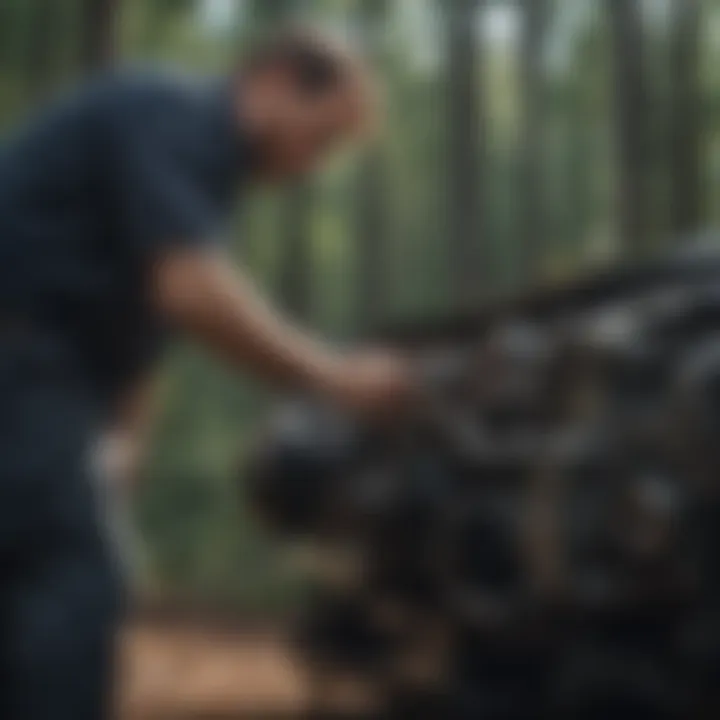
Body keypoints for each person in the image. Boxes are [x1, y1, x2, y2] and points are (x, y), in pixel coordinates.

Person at [0, 28, 414, 719]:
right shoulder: (173, 117)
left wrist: (122, 443)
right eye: (322, 138)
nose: (312, 165)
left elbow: (140, 331)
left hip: (45, 379)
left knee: (30, 585)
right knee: (72, 585)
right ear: (278, 81)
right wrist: (335, 377)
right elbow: (188, 291)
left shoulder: (200, 173)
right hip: (21, 366)